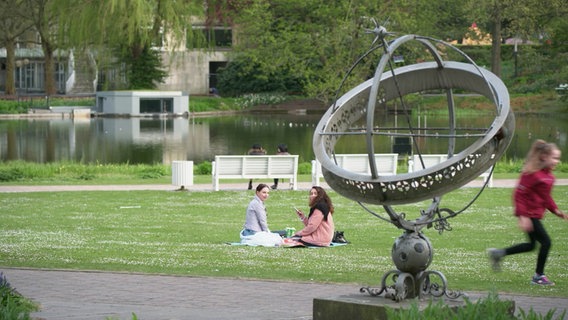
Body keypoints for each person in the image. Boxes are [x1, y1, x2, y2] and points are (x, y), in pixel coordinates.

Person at [488, 139, 567, 285]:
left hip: (534, 215)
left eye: (558, 158)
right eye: (554, 158)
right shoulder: (533, 174)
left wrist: (556, 211)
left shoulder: (548, 176)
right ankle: (538, 276)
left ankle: (498, 253)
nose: (557, 161)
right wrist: (523, 216)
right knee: (546, 242)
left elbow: (545, 197)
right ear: (544, 157)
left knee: (531, 245)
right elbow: (519, 195)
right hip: (529, 215)